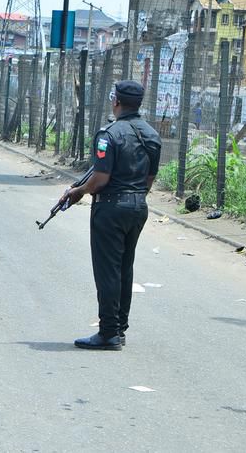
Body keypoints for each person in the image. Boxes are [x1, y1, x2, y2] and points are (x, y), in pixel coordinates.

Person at [57, 81, 161, 351]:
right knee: (124, 268)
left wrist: (78, 191)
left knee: (107, 271)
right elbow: (149, 179)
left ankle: (108, 333)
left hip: (111, 208)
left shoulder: (109, 134)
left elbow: (100, 178)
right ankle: (119, 329)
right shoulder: (151, 134)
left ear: (116, 101)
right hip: (138, 207)